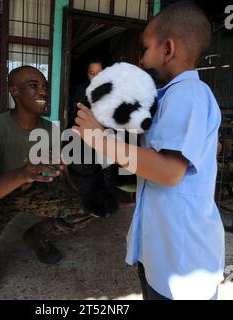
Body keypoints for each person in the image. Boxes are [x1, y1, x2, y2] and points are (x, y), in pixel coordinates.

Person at [72, 1, 225, 300]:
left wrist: (101, 140)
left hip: (184, 266)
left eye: (144, 49)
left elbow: (168, 171)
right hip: (162, 255)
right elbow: (206, 147)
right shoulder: (169, 97)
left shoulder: (188, 92)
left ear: (167, 49)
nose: (141, 60)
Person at [0, 66, 96, 300]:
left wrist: (74, 176)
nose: (43, 92)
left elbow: (60, 172)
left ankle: (38, 235)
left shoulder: (50, 130)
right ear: (14, 91)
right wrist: (24, 173)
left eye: (44, 86)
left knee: (94, 203)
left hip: (36, 191)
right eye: (33, 85)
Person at [68, 58, 104, 127]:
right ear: (87, 74)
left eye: (99, 73)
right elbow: (74, 114)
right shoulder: (81, 90)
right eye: (92, 73)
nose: (96, 77)